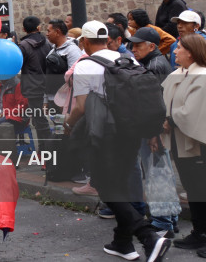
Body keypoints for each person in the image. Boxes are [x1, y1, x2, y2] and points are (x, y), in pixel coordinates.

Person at [64, 21, 171, 262]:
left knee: (105, 185)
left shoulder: (86, 65)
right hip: (130, 131)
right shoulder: (127, 59)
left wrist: (69, 125)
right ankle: (122, 243)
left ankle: (148, 236)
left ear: (85, 42)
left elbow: (81, 107)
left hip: (104, 134)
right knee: (120, 183)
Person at [151, 34, 206, 255]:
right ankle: (199, 231)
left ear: (191, 52)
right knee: (193, 189)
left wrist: (169, 120)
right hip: (179, 140)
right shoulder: (178, 74)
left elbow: (193, 112)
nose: (174, 51)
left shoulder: (202, 76)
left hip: (198, 143)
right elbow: (163, 103)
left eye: (179, 48)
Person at [18, 16, 52, 151]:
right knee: (41, 120)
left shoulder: (23, 46)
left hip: (32, 87)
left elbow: (18, 64)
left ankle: (48, 151)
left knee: (39, 121)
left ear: (24, 29)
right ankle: (44, 150)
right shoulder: (47, 43)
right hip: (48, 83)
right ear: (39, 28)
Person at [45, 19, 82, 113]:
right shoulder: (52, 51)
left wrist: (65, 100)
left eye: (49, 31)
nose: (47, 34)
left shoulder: (72, 50)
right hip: (52, 99)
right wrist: (45, 100)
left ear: (57, 32)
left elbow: (74, 78)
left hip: (65, 101)